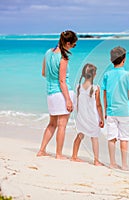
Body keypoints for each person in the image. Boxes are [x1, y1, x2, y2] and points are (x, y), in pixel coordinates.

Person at [37, 30, 78, 159]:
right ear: (67, 43)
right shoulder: (63, 58)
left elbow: (44, 73)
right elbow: (62, 81)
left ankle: (42, 150)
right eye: (73, 45)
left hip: (50, 94)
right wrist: (68, 100)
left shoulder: (48, 52)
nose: (73, 47)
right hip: (61, 93)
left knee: (52, 124)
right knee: (62, 125)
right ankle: (59, 154)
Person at [101, 46, 129, 170]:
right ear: (124, 59)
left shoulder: (107, 75)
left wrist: (105, 110)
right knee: (124, 138)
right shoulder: (127, 75)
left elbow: (104, 94)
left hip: (111, 111)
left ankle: (112, 163)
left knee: (111, 137)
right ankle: (124, 165)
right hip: (124, 112)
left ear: (111, 59)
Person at [71, 63, 105, 166]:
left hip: (81, 116)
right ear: (94, 75)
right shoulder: (96, 88)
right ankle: (96, 160)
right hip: (92, 117)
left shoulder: (78, 87)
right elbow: (98, 105)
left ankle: (74, 156)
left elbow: (76, 102)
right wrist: (101, 118)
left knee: (80, 135)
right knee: (94, 138)